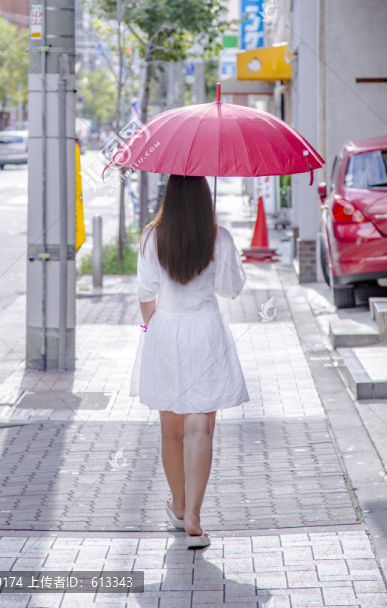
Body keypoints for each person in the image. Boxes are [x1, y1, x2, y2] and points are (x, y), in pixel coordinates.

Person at [133, 175, 248, 549]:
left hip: (165, 331)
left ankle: (179, 506)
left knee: (171, 431)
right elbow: (231, 290)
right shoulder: (219, 237)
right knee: (200, 430)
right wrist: (225, 250)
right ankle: (195, 516)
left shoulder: (152, 238)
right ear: (204, 197)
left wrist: (155, 331)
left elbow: (145, 293)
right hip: (205, 333)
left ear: (169, 196)